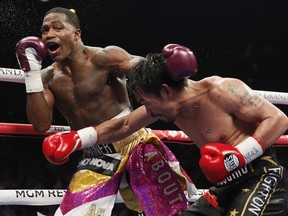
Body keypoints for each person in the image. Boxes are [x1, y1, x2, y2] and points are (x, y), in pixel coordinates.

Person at [43, 43, 288, 215]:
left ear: (165, 90)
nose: (148, 110)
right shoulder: (168, 106)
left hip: (260, 174)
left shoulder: (222, 90)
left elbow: (278, 119)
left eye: (147, 102)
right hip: (225, 185)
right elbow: (125, 124)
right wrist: (77, 138)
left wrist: (239, 156)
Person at [15, 7, 195, 216]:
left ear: (76, 34)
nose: (49, 34)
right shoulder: (47, 78)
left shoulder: (104, 58)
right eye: (44, 30)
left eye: (57, 27)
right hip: (95, 154)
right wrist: (31, 75)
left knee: (169, 211)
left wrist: (170, 66)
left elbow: (146, 71)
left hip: (134, 142)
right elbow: (40, 124)